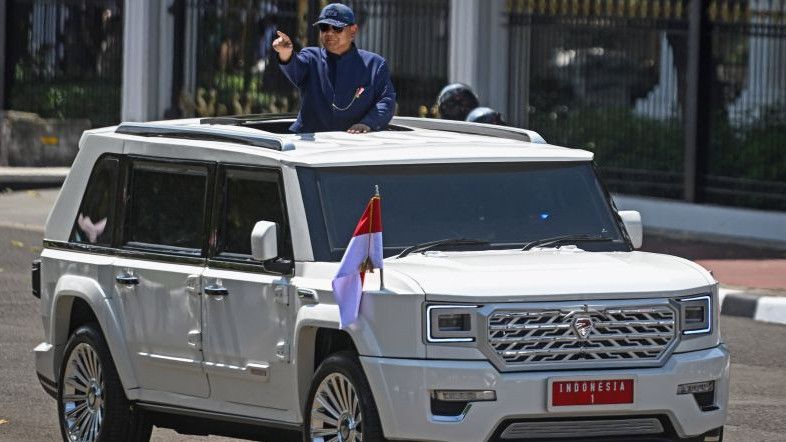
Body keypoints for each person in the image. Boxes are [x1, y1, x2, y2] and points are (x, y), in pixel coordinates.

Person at [272, 3, 396, 134]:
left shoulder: (374, 64)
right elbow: (295, 68)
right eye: (324, 27)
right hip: (308, 141)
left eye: (337, 28)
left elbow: (386, 101)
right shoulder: (311, 57)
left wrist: (367, 123)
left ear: (353, 30)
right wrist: (285, 53)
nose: (329, 33)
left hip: (355, 143)